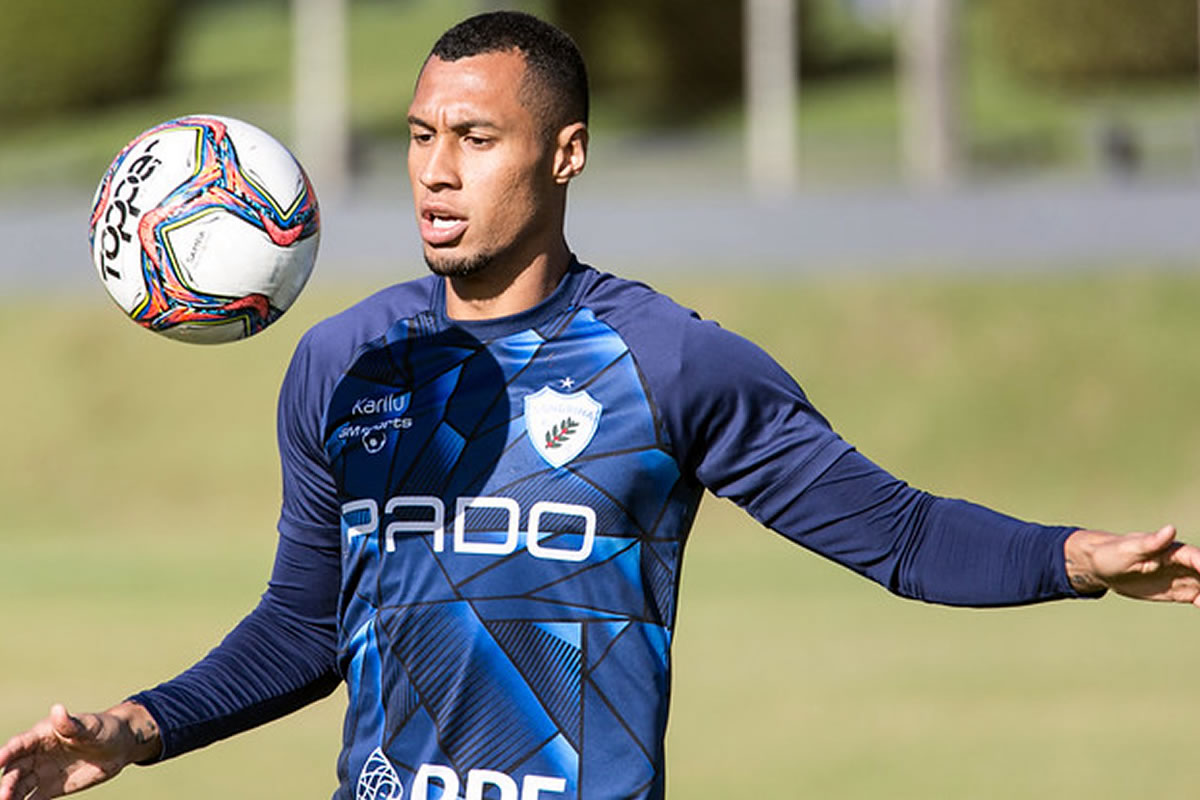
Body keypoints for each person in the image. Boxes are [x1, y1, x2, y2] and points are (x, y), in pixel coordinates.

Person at [3, 11, 1199, 800]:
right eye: (420, 135)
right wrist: (134, 726)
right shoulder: (344, 363)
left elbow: (898, 531)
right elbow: (307, 626)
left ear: (565, 152)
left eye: (476, 137)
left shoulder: (670, 362)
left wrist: (1075, 558)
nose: (435, 169)